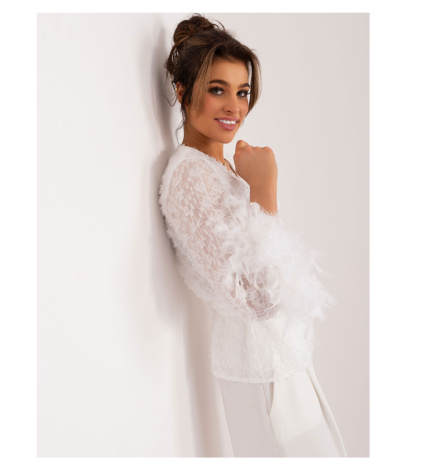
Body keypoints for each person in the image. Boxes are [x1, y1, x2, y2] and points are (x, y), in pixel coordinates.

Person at [158, 13, 347, 457]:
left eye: (242, 92)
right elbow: (258, 299)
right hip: (261, 374)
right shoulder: (189, 177)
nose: (234, 107)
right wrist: (264, 189)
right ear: (182, 92)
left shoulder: (218, 169)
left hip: (284, 362)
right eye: (217, 90)